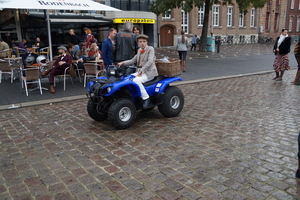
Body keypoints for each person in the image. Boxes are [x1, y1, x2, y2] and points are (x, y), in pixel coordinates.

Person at [118, 34, 158, 107]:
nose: (142, 43)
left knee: (136, 80)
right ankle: (130, 96)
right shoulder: (139, 50)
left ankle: (146, 98)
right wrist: (123, 63)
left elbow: (150, 61)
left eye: (144, 41)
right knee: (126, 78)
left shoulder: (150, 49)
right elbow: (133, 60)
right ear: (138, 43)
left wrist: (141, 71)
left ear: (147, 42)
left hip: (149, 73)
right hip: (140, 72)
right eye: (140, 41)